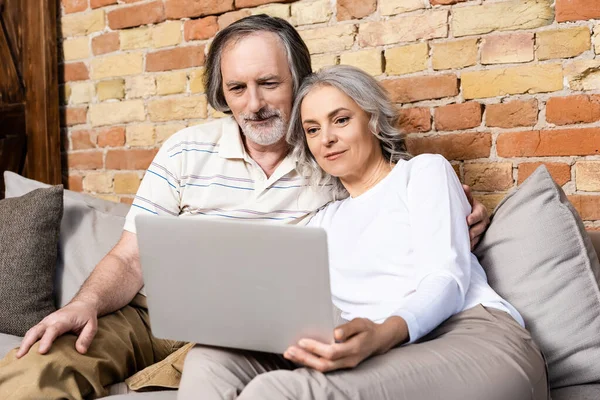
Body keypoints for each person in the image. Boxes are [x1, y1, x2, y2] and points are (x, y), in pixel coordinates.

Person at [0, 15, 489, 399]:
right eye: (237, 89)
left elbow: (397, 203)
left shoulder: (331, 155)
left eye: (269, 83)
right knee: (38, 365)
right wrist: (83, 304)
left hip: (253, 329)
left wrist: (461, 217)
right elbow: (131, 257)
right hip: (150, 313)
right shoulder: (185, 149)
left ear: (301, 80)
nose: (254, 104)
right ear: (223, 94)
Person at [176, 65, 548, 400]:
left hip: (471, 339)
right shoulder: (322, 221)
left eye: (340, 120)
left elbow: (446, 279)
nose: (327, 139)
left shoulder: (421, 173)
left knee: (278, 391)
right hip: (380, 352)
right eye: (312, 129)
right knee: (210, 360)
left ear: (371, 120)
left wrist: (383, 334)